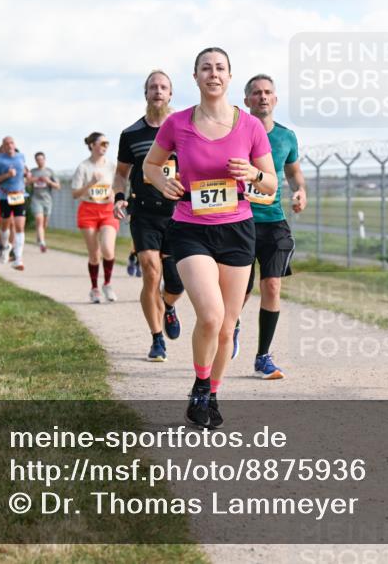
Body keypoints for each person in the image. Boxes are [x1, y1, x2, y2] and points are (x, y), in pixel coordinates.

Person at [144, 47, 276, 429]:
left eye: (220, 68)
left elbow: (269, 182)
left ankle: (211, 392)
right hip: (190, 227)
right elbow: (151, 165)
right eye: (206, 68)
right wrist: (161, 180)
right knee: (211, 314)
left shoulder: (249, 126)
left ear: (230, 76)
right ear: (196, 77)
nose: (213, 74)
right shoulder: (178, 123)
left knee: (226, 324)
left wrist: (251, 174)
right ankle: (201, 384)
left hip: (237, 228)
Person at [113, 70, 186, 361]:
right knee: (149, 270)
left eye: (163, 87)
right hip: (144, 212)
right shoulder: (131, 134)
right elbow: (120, 174)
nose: (158, 91)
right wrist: (119, 198)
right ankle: (157, 338)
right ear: (145, 94)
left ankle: (168, 306)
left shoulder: (183, 129)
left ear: (170, 94)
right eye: (152, 87)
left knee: (176, 282)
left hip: (178, 213)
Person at [238, 74, 306, 379]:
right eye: (256, 93)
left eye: (268, 92)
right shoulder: (234, 132)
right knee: (239, 291)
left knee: (272, 284)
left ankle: (263, 356)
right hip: (238, 221)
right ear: (247, 101)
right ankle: (232, 323)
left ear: (275, 99)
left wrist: (300, 190)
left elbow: (293, 172)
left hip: (273, 221)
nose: (263, 97)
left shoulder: (286, 136)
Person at [73, 132, 119, 303]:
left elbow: (117, 186)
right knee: (94, 254)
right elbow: (75, 193)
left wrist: (113, 195)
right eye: (102, 143)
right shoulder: (83, 167)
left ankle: (107, 283)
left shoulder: (111, 166)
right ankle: (94, 289)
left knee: (108, 249)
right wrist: (91, 183)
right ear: (92, 145)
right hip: (88, 211)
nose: (105, 146)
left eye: (107, 143)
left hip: (107, 210)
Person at [0, 137, 30, 270]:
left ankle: (18, 258)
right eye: (7, 144)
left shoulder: (21, 157)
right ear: (3, 147)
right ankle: (5, 246)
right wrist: (6, 175)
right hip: (4, 197)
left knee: (19, 226)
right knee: (5, 226)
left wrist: (27, 173)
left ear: (14, 145)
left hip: (19, 195)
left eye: (12, 143)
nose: (10, 146)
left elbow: (24, 170)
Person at [28, 151, 60, 252]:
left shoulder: (50, 172)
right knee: (39, 220)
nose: (39, 161)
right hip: (36, 199)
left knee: (44, 223)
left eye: (41, 159)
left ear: (44, 160)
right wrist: (33, 180)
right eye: (37, 160)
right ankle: (42, 242)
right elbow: (25, 182)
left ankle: (40, 237)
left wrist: (48, 181)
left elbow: (58, 186)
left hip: (47, 200)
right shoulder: (32, 171)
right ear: (35, 161)